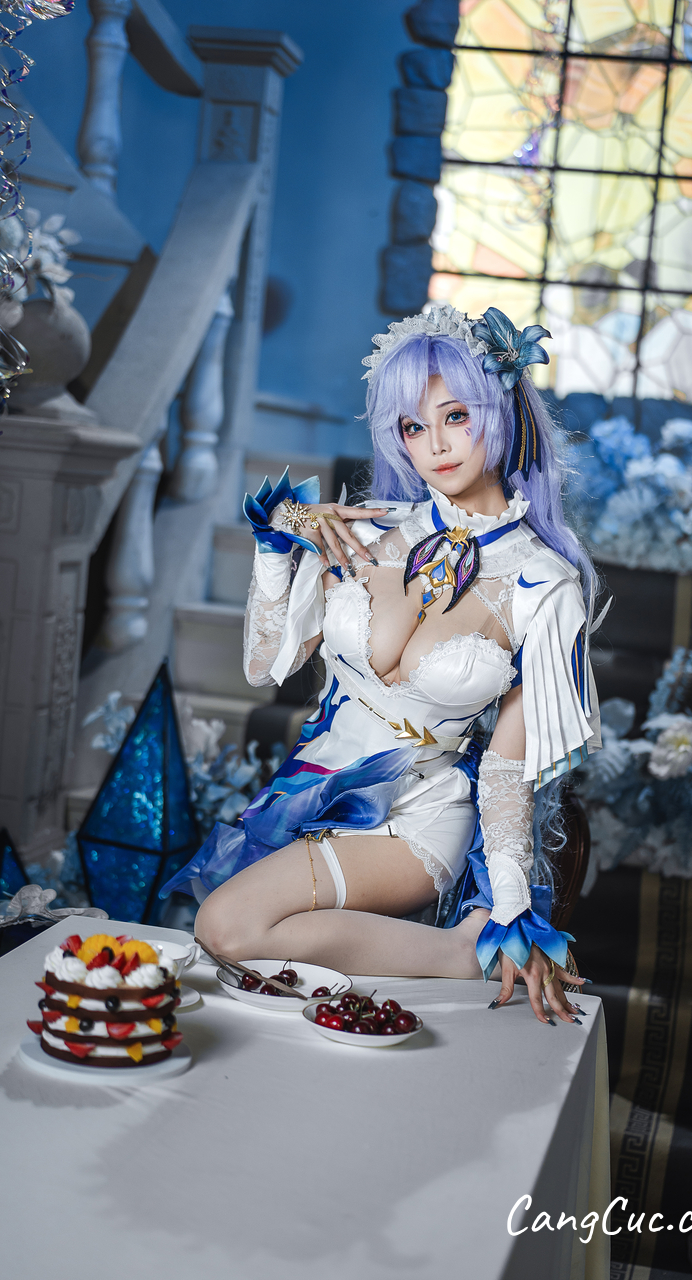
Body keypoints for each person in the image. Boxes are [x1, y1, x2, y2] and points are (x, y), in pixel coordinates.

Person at [161, 305, 603, 1023]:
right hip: (314, 795)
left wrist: (510, 909)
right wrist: (280, 539)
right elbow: (265, 666)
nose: (436, 444)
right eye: (412, 427)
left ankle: (464, 951)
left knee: (226, 928)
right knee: (243, 957)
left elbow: (505, 769)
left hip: (418, 819)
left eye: (456, 416)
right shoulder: (365, 531)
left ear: (501, 411)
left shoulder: (543, 585)